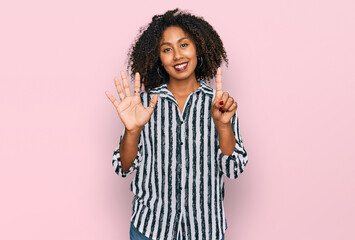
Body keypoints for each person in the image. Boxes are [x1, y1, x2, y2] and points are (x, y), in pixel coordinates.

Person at [105, 8, 248, 240]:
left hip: (204, 230)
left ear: (198, 47)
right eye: (167, 49)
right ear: (157, 57)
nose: (177, 56)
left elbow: (234, 168)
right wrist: (133, 131)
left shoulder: (220, 104)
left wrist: (223, 126)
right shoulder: (142, 105)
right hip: (150, 229)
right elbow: (123, 167)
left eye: (184, 45)